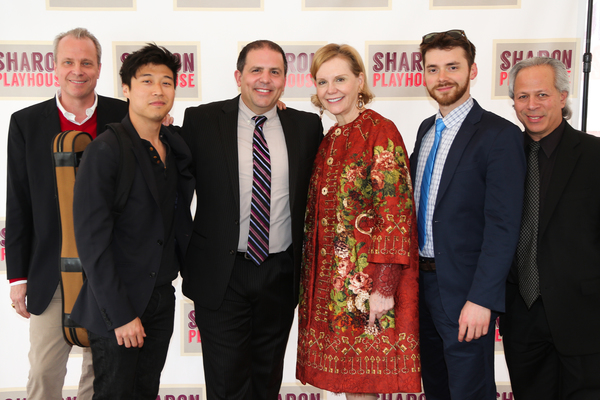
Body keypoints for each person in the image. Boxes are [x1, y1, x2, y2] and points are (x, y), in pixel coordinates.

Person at [180, 40, 323, 400]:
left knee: (266, 381)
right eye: (256, 70)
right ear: (238, 77)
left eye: (275, 72)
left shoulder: (306, 127)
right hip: (221, 276)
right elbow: (173, 187)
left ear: (285, 80)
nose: (266, 79)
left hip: (279, 273)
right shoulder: (201, 120)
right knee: (227, 383)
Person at [6, 27, 128, 400]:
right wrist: (17, 277)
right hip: (50, 272)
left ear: (99, 67)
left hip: (110, 269)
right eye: (69, 62)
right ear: (55, 67)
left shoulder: (125, 115)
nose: (79, 70)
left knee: (103, 374)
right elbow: (19, 201)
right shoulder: (26, 122)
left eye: (87, 62)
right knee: (44, 374)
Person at [296, 43, 421, 398]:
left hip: (368, 289)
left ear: (360, 80)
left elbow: (396, 213)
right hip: (330, 292)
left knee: (364, 388)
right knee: (350, 388)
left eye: (340, 79)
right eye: (322, 82)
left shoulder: (380, 131)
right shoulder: (329, 139)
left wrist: (383, 288)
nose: (331, 89)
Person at [70, 43, 194, 399]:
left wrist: (270, 107)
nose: (158, 90)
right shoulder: (106, 150)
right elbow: (92, 241)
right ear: (125, 89)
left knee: (145, 392)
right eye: (146, 81)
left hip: (160, 298)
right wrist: (121, 314)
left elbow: (218, 129)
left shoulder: (175, 143)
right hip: (118, 303)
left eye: (167, 82)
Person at [410, 30, 526, 400]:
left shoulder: (499, 135)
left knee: (470, 392)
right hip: (421, 287)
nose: (442, 77)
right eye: (433, 68)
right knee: (437, 388)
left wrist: (482, 299)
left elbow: (503, 226)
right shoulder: (426, 130)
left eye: (452, 67)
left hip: (466, 294)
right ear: (423, 74)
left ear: (472, 70)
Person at [500, 57, 600, 399]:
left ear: (562, 96)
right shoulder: (503, 155)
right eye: (523, 96)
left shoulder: (595, 154)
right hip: (520, 316)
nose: (532, 106)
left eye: (542, 94)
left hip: (585, 318)